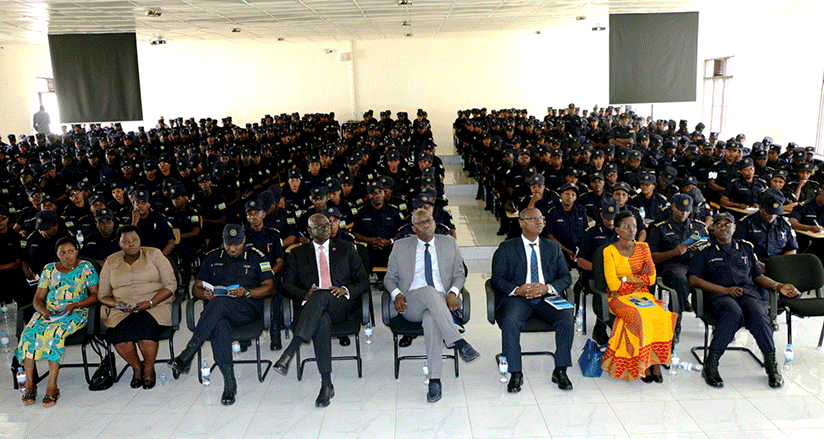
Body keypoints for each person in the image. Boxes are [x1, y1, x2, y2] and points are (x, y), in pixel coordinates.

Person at [688, 212, 800, 388]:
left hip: (746, 293)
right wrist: (725, 290)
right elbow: (693, 279)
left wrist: (778, 286)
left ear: (734, 228)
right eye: (718, 225)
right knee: (733, 314)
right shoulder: (704, 250)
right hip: (718, 295)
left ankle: (771, 366)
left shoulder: (746, 248)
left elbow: (758, 276)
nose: (723, 228)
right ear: (713, 229)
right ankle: (711, 365)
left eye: (727, 224)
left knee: (759, 314)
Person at [169, 224, 274, 405]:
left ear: (244, 240)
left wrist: (247, 292)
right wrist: (204, 294)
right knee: (219, 325)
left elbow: (269, 288)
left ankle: (188, 353)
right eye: (228, 244)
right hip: (218, 313)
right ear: (223, 242)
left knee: (219, 304)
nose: (232, 249)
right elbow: (196, 287)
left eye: (236, 244)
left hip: (247, 310)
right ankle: (229, 383)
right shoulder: (212, 258)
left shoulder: (257, 257)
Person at [274, 213, 370, 407]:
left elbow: (363, 281)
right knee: (321, 318)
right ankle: (326, 384)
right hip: (311, 310)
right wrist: (305, 295)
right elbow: (286, 286)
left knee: (321, 298)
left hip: (340, 306)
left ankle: (291, 350)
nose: (325, 228)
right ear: (309, 231)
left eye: (327, 225)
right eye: (319, 226)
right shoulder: (297, 253)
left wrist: (345, 290)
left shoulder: (346, 248)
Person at [385, 209, 480, 402]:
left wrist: (453, 293)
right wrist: (397, 294)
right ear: (414, 228)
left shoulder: (449, 243)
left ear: (435, 223)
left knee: (431, 320)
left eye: (429, 221)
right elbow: (389, 278)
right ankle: (459, 342)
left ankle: (434, 380)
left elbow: (459, 275)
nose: (426, 225)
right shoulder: (401, 246)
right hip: (411, 301)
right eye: (421, 223)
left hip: (442, 302)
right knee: (429, 291)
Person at [491, 206, 574, 392]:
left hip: (546, 297)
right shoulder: (507, 247)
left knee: (566, 315)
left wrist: (547, 288)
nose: (539, 222)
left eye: (541, 218)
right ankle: (515, 373)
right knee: (510, 320)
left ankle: (560, 370)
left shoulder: (552, 247)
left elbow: (565, 277)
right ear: (521, 223)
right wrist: (516, 290)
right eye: (533, 218)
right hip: (519, 298)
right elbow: (496, 279)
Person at [15, 237, 99, 407]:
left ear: (77, 251)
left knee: (54, 334)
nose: (67, 256)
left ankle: (52, 386)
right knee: (28, 334)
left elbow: (96, 295)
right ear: (57, 254)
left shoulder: (86, 267)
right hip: (49, 312)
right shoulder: (49, 269)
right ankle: (30, 385)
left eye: (70, 251)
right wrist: (43, 311)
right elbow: (38, 298)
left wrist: (75, 305)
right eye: (62, 253)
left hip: (76, 311)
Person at [98, 225, 176, 390]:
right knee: (121, 341)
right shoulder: (111, 261)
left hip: (154, 306)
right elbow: (102, 295)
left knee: (146, 336)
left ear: (140, 240)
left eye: (134, 240)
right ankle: (137, 367)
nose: (131, 244)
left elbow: (171, 284)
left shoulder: (155, 254)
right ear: (119, 243)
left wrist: (151, 302)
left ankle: (149, 369)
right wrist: (117, 304)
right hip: (122, 310)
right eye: (125, 241)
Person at [601, 211, 676, 382]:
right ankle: (644, 365)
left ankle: (655, 362)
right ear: (617, 229)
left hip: (642, 295)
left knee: (662, 316)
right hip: (617, 297)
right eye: (627, 227)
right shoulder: (609, 251)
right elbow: (613, 285)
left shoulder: (643, 248)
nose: (632, 230)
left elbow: (651, 279)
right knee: (640, 317)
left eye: (634, 227)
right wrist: (639, 279)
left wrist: (626, 278)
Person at [648, 194, 709, 341]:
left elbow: (709, 248)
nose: (683, 213)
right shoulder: (659, 228)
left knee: (719, 275)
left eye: (687, 210)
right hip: (671, 265)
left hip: (695, 264)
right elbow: (652, 257)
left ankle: (715, 317)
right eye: (680, 209)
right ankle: (676, 322)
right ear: (673, 207)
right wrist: (674, 252)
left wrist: (700, 249)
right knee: (681, 279)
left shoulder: (698, 227)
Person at [733, 189, 797, 269]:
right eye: (769, 212)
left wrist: (780, 265)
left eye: (775, 213)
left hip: (778, 265)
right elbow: (739, 250)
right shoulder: (745, 223)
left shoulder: (784, 225)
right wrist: (761, 267)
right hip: (752, 265)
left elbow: (792, 248)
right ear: (761, 208)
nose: (772, 216)